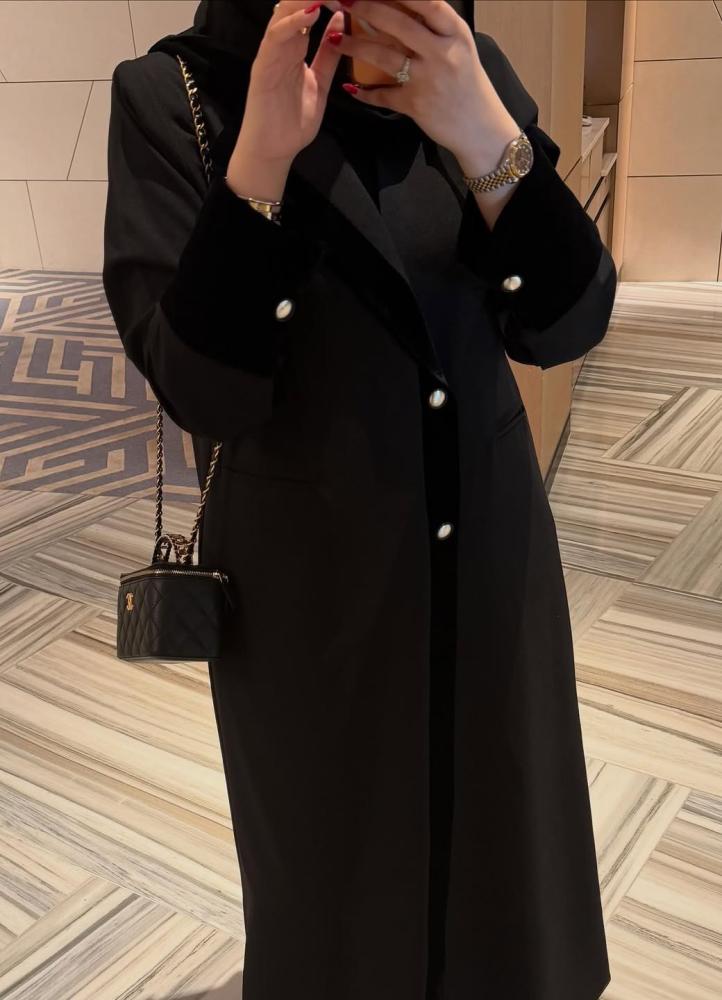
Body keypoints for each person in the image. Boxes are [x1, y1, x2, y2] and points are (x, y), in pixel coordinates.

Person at [103, 2, 617, 998]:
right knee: (337, 892)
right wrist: (260, 165)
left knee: (503, 859)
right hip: (311, 595)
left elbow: (567, 324)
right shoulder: (177, 94)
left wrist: (484, 137)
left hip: (487, 560)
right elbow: (202, 393)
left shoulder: (459, 61)